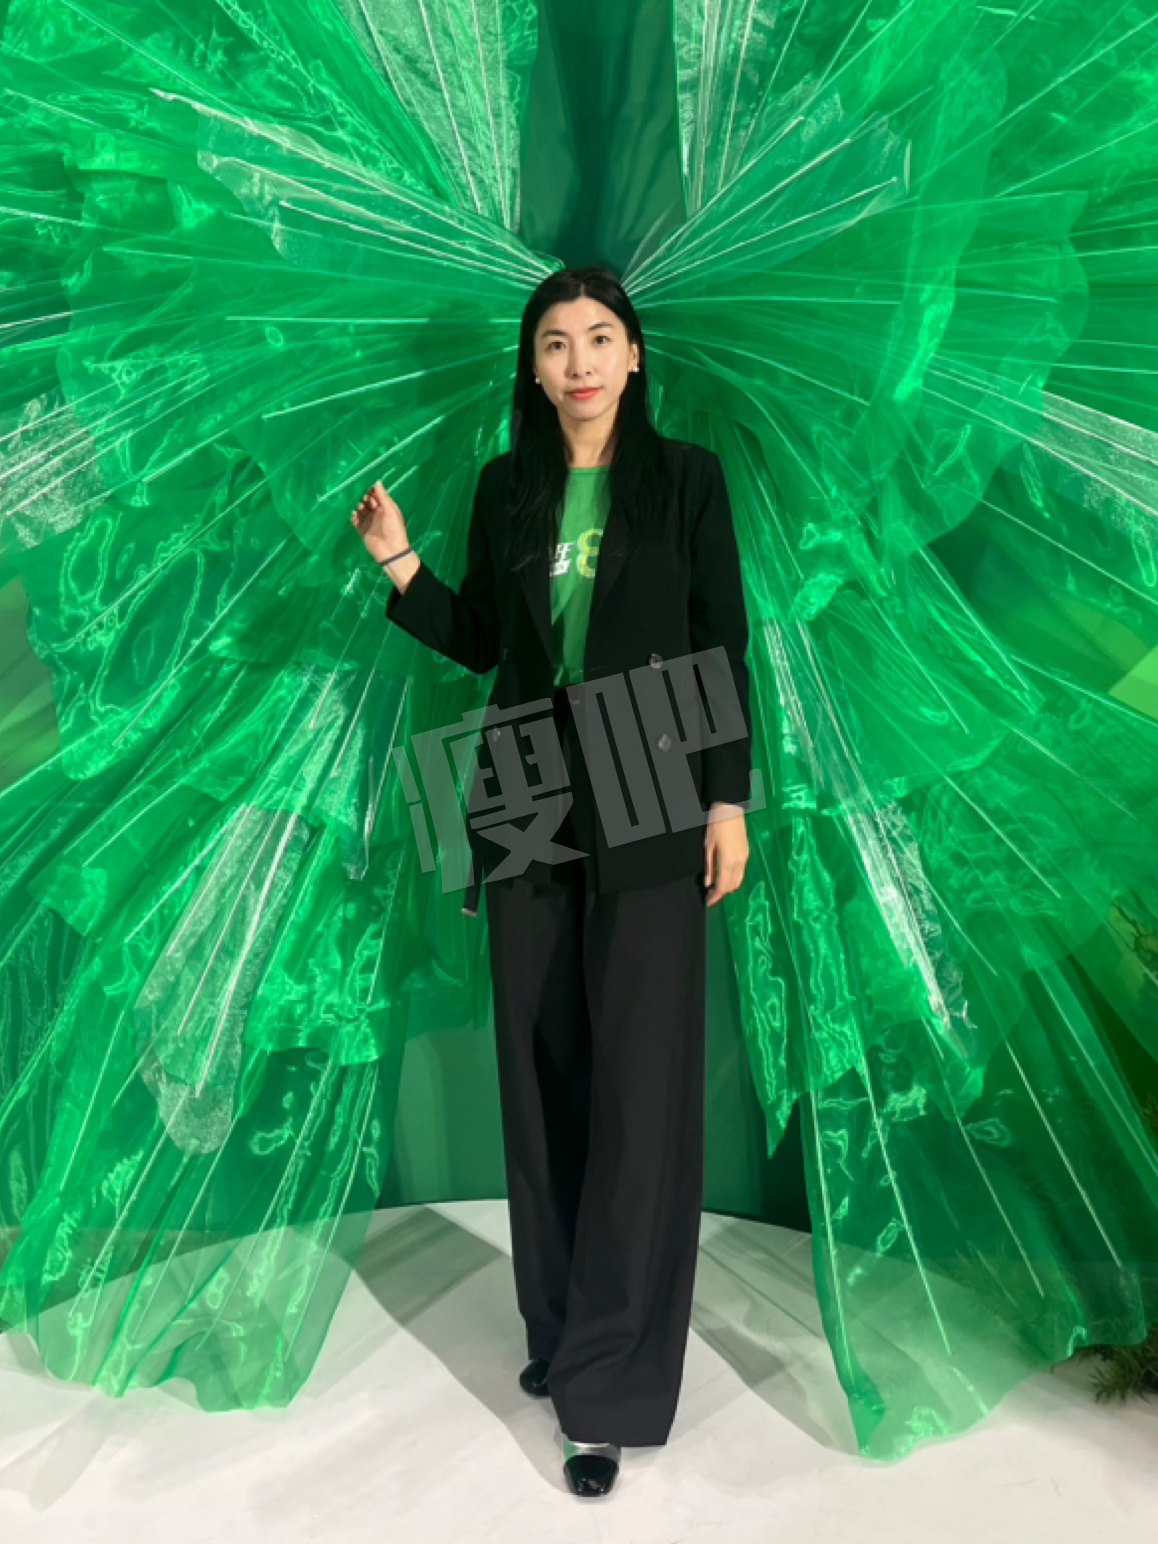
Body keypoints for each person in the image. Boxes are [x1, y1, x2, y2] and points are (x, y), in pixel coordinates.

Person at [352, 263, 753, 1497]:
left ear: (635, 356)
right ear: (531, 368)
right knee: (541, 1075)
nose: (579, 360)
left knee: (638, 1084)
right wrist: (402, 566)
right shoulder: (506, 485)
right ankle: (563, 1329)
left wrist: (728, 799)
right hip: (524, 779)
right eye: (555, 343)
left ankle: (609, 1391)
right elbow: (486, 640)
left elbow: (720, 637)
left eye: (599, 337)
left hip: (652, 769)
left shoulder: (687, 479)